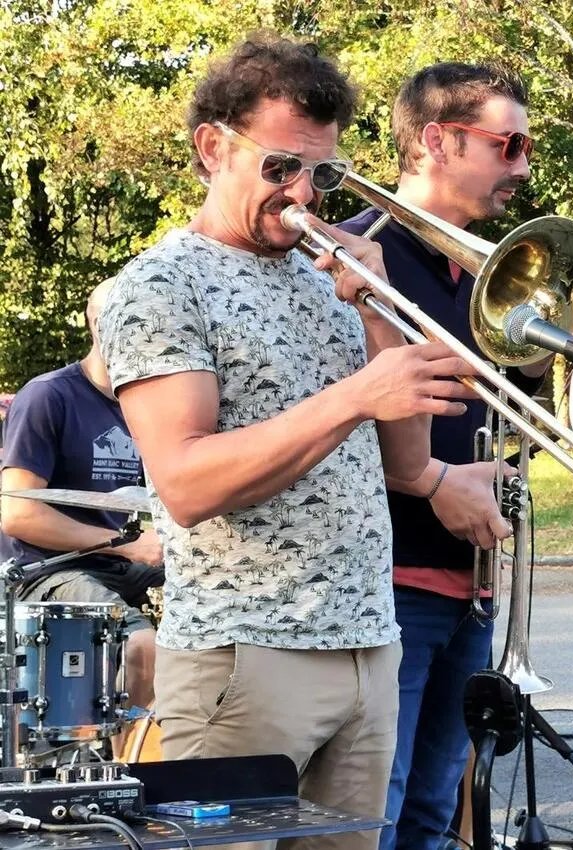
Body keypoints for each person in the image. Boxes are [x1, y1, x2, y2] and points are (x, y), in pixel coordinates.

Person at [98, 34, 475, 850]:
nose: (302, 193)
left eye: (322, 173)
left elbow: (406, 463)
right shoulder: (161, 284)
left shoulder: (330, 277)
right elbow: (185, 483)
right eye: (280, 168)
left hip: (369, 646)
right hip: (246, 657)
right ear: (213, 148)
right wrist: (354, 397)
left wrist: (380, 315)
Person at [343, 63, 573, 850]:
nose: (522, 166)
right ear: (435, 141)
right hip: (386, 581)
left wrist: (548, 353)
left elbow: (510, 426)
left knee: (433, 813)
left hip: (470, 588)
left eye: (526, 147)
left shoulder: (491, 269)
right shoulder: (357, 254)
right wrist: (434, 483)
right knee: (378, 815)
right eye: (506, 145)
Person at [0, 279, 163, 713]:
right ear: (97, 324)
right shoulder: (48, 395)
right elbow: (18, 515)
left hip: (114, 565)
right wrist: (128, 546)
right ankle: (124, 753)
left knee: (215, 595)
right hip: (45, 572)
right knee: (142, 644)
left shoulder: (141, 407)